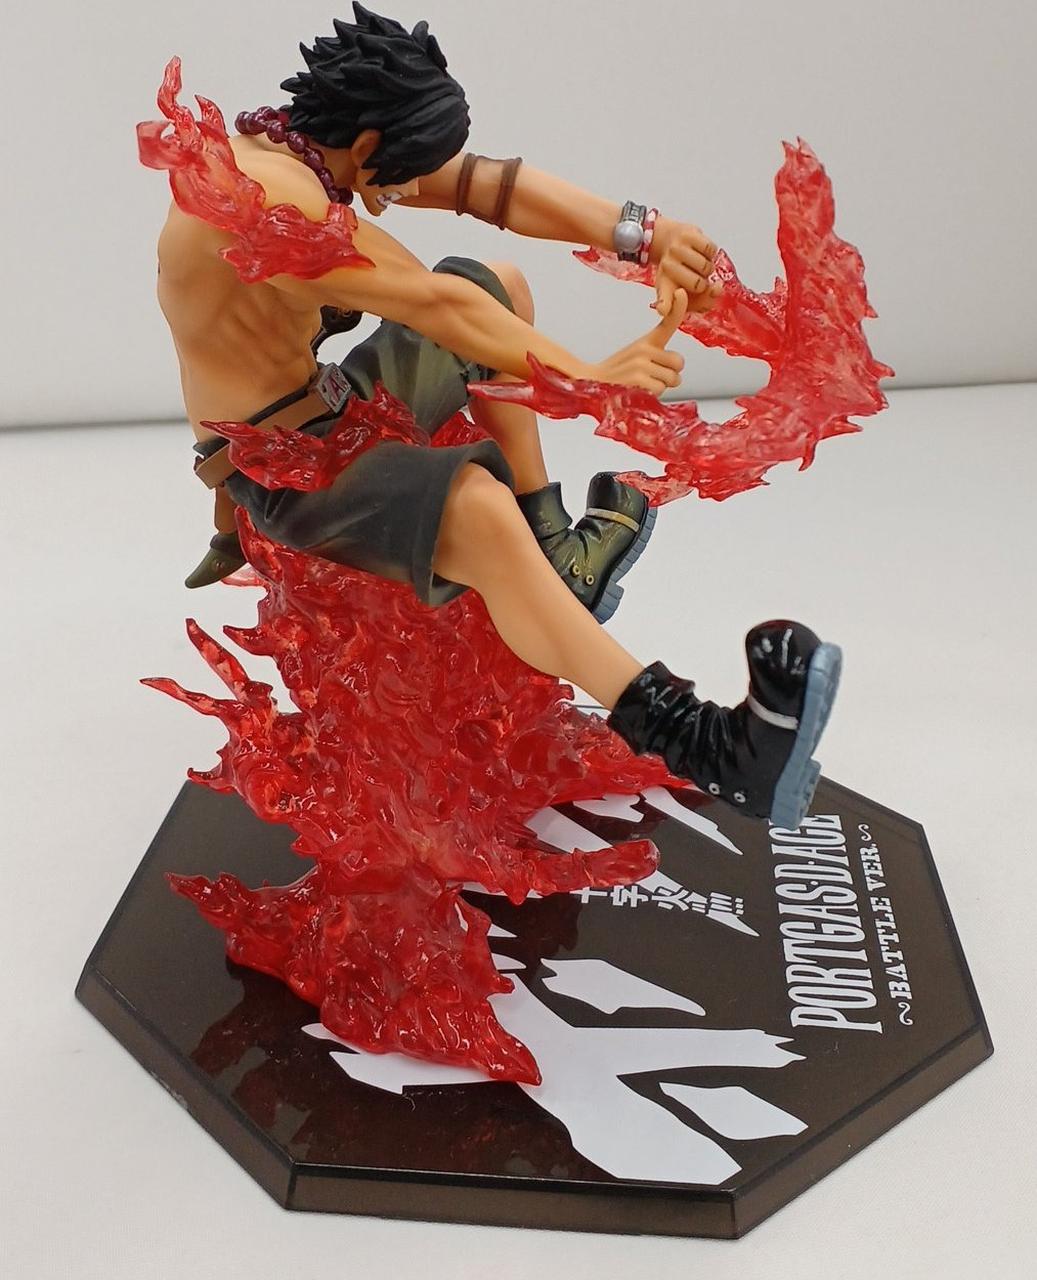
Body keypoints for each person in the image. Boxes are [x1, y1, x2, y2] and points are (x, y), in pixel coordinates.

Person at [153, 4, 841, 829]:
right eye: (398, 178)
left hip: (336, 405)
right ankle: (707, 747)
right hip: (279, 466)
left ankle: (551, 551)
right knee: (473, 503)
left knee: (498, 283)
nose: (404, 196)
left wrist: (644, 234)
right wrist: (586, 377)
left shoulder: (303, 146)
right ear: (367, 145)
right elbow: (435, 305)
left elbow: (486, 188)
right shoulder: (271, 203)